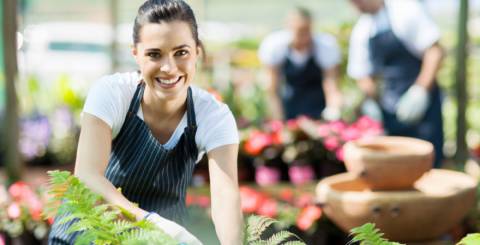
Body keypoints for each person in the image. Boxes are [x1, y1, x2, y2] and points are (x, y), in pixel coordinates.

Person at [48, 0, 243, 244]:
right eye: (154, 54)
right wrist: (152, 223)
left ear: (197, 52)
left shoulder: (213, 116)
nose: (169, 68)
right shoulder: (113, 94)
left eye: (181, 52)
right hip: (88, 233)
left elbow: (225, 199)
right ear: (136, 55)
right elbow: (88, 177)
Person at [347, 0, 445, 167]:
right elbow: (362, 74)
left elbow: (434, 52)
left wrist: (420, 90)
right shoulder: (362, 30)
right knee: (395, 166)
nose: (356, 5)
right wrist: (372, 103)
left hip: (422, 106)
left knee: (427, 162)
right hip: (389, 110)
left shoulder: (405, 10)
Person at [258, 7, 342, 121]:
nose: (303, 36)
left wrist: (333, 111)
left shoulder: (325, 46)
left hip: (318, 105)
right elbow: (272, 88)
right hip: (289, 106)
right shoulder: (275, 47)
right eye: (299, 30)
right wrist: (278, 119)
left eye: (306, 30)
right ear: (289, 27)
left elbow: (331, 84)